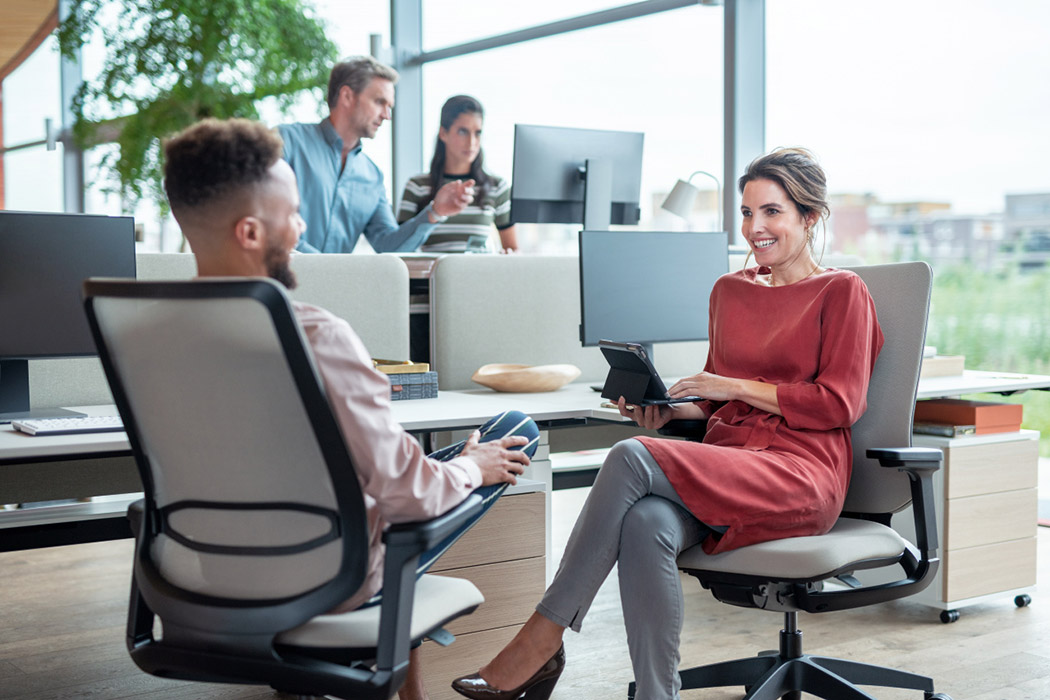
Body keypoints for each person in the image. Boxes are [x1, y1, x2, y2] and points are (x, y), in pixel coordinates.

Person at [451, 147, 885, 700]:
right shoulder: (730, 291)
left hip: (800, 474)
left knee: (630, 455)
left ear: (810, 218)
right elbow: (716, 410)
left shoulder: (842, 291)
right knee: (646, 521)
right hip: (732, 463)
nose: (754, 227)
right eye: (747, 212)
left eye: (772, 212)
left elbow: (839, 404)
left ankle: (542, 638)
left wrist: (730, 386)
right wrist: (668, 411)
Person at [162, 117, 539, 700]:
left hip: (208, 573)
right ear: (250, 232)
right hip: (327, 579)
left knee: (391, 474)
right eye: (293, 213)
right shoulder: (316, 336)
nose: (301, 227)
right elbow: (408, 496)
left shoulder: (155, 332)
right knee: (513, 431)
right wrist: (471, 467)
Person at [278, 56, 476, 253]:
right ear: (347, 96)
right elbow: (271, 225)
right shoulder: (287, 142)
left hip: (334, 274)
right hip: (280, 274)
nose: (386, 116)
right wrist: (325, 267)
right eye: (380, 102)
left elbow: (389, 247)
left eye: (389, 107)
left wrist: (435, 212)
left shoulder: (372, 176)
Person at [397, 95, 518, 253]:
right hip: (431, 270)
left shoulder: (496, 187)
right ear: (443, 133)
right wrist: (434, 211)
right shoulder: (417, 186)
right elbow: (399, 247)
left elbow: (512, 249)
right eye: (463, 132)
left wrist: (507, 256)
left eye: (478, 133)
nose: (471, 142)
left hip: (479, 269)